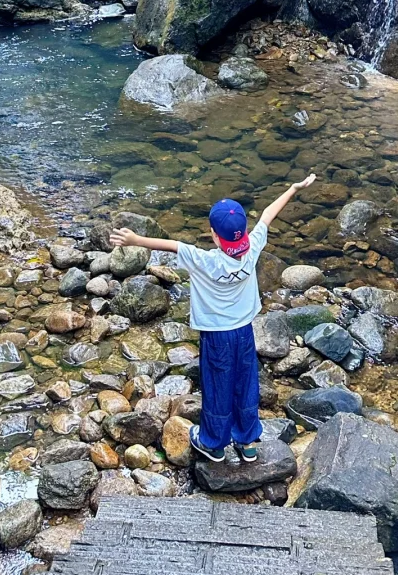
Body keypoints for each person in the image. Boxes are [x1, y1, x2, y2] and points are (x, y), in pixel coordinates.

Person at [109, 173, 316, 465]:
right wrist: (293, 188)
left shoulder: (204, 260)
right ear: (242, 232)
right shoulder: (253, 247)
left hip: (217, 336)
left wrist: (134, 239)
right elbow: (269, 214)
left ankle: (214, 444)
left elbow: (170, 245)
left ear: (214, 235)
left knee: (218, 385)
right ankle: (246, 442)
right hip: (244, 333)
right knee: (245, 384)